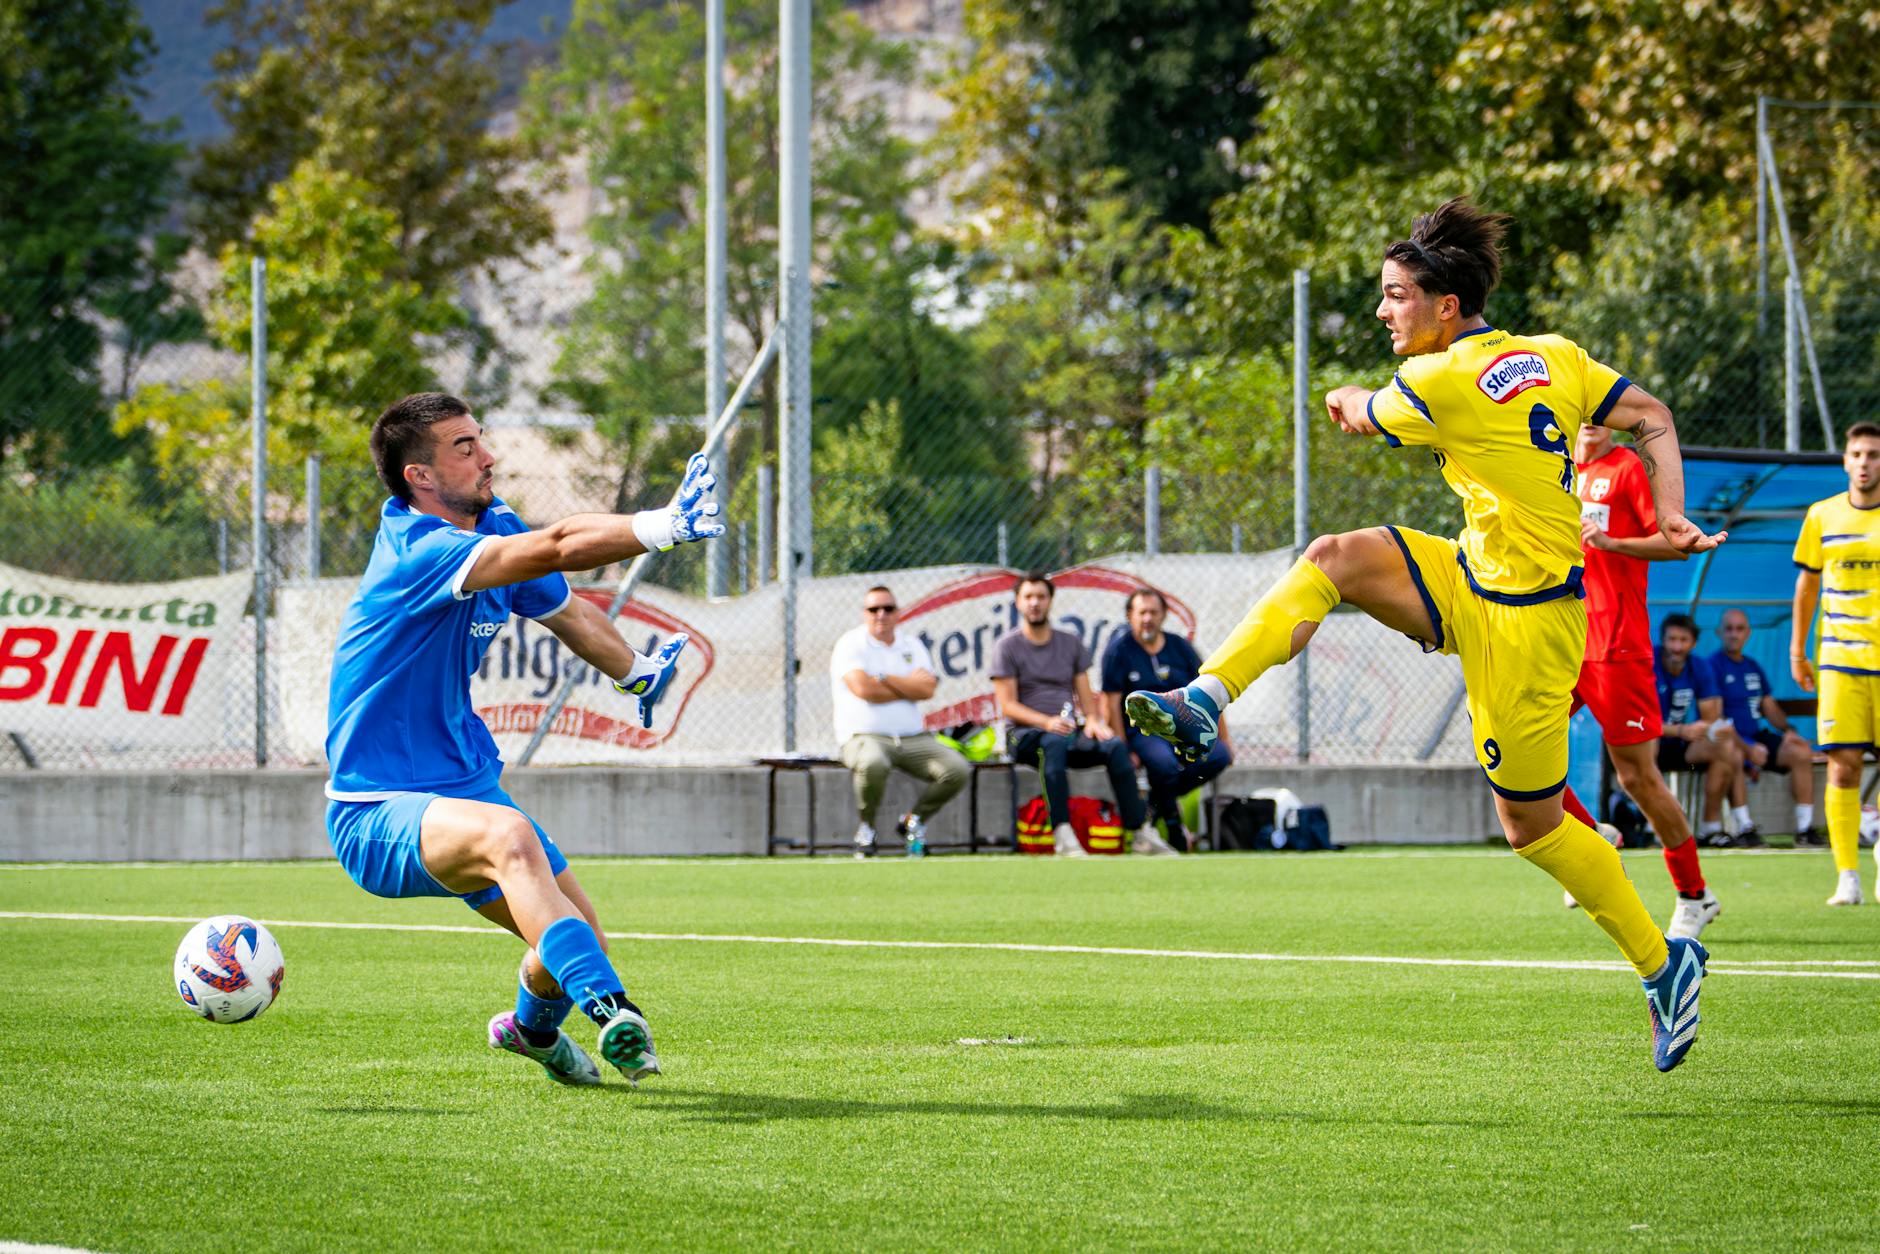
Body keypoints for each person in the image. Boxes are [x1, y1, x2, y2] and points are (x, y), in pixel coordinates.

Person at [1126, 200, 1723, 1071]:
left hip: (1529, 626)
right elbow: (1654, 412)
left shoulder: (1439, 382)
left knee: (1532, 828)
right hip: (1471, 575)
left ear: (1446, 306)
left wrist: (1342, 396)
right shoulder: (1549, 355)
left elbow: (1363, 411)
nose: (1382, 312)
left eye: (1395, 295)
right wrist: (1670, 510)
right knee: (1334, 556)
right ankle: (1203, 699)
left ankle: (1664, 966)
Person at [324, 392, 724, 1087]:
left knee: (575, 944)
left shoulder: (493, 529)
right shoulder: (418, 551)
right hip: (376, 808)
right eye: (465, 447)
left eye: (481, 439)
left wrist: (634, 675)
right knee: (511, 838)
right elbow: (561, 543)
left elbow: (566, 611)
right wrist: (664, 525)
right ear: (419, 476)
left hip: (464, 785)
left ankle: (533, 1034)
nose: (489, 456)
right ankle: (615, 1014)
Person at [1570, 421, 1720, 937]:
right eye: (1581, 406)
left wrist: (1612, 542)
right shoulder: (1555, 466)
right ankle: (1593, 839)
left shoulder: (1628, 468)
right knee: (1507, 746)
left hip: (1617, 645)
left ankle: (1694, 893)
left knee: (1638, 778)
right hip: (1561, 641)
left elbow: (1672, 542)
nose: (1589, 417)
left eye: (1599, 408)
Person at [992, 571, 1178, 857]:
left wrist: (1093, 720)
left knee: (1114, 746)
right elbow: (1008, 706)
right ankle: (1063, 836)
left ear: (1050, 601)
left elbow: (1085, 693)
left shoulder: (1070, 643)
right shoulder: (1007, 647)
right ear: (1017, 602)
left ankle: (1140, 832)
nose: (1034, 603)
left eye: (1041, 596)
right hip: (1024, 735)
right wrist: (1047, 722)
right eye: (1028, 597)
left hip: (1065, 731)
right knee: (1052, 742)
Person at [1791, 421, 1880, 907]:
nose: (1865, 463)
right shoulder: (1822, 515)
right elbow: (1806, 588)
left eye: (1873, 454)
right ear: (1845, 461)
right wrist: (1797, 651)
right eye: (1857, 454)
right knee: (1843, 767)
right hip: (1841, 660)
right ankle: (1847, 875)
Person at [830, 585, 970, 858]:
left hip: (912, 737)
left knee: (957, 769)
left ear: (898, 613)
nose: (881, 614)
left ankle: (913, 822)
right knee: (873, 763)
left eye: (888, 608)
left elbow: (927, 690)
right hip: (863, 737)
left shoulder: (912, 645)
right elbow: (864, 691)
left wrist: (883, 677)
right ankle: (867, 829)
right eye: (874, 609)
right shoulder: (851, 643)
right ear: (864, 613)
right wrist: (906, 685)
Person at [1100, 588, 1233, 851]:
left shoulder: (1180, 647)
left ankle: (1156, 804)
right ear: (1130, 616)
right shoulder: (1119, 651)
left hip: (1185, 727)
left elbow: (1209, 693)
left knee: (1220, 756)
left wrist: (1224, 738)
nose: (1147, 618)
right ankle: (1172, 821)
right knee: (1165, 765)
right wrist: (1124, 749)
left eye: (1153, 612)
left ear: (1163, 616)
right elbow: (1111, 704)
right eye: (1142, 613)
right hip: (1145, 732)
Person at [1710, 608, 1818, 846]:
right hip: (1728, 739)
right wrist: (1748, 749)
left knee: (1800, 752)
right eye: (1729, 628)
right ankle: (1744, 828)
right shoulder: (1712, 666)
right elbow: (1715, 718)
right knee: (1733, 753)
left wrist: (1789, 732)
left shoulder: (1752, 667)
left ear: (1748, 633)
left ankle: (1805, 829)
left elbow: (1769, 707)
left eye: (1739, 629)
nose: (1734, 634)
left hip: (1756, 736)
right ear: (1719, 632)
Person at [1653, 614, 1745, 847]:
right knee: (1648, 741)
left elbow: (1711, 716)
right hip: (1646, 739)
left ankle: (1710, 829)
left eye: (1683, 640)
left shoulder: (1699, 666)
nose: (1676, 646)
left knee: (1726, 749)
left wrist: (1710, 729)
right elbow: (1636, 719)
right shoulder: (1648, 662)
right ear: (1662, 640)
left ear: (1693, 644)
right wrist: (1680, 730)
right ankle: (1651, 827)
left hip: (1679, 741)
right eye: (1671, 639)